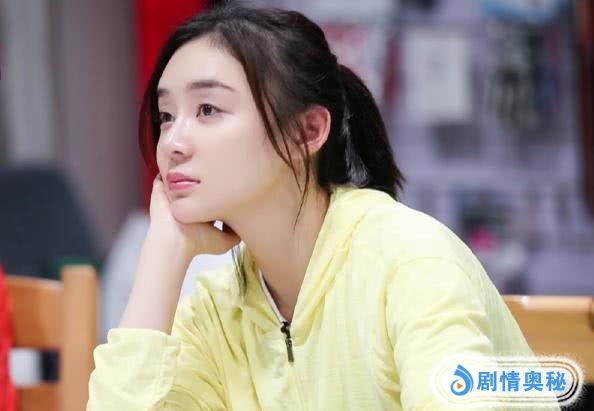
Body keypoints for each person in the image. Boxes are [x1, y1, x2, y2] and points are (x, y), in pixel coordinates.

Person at [87, 4, 558, 410]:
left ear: (307, 132)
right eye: (166, 116)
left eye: (208, 109)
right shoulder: (217, 310)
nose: (172, 142)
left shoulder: (411, 262)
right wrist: (162, 253)